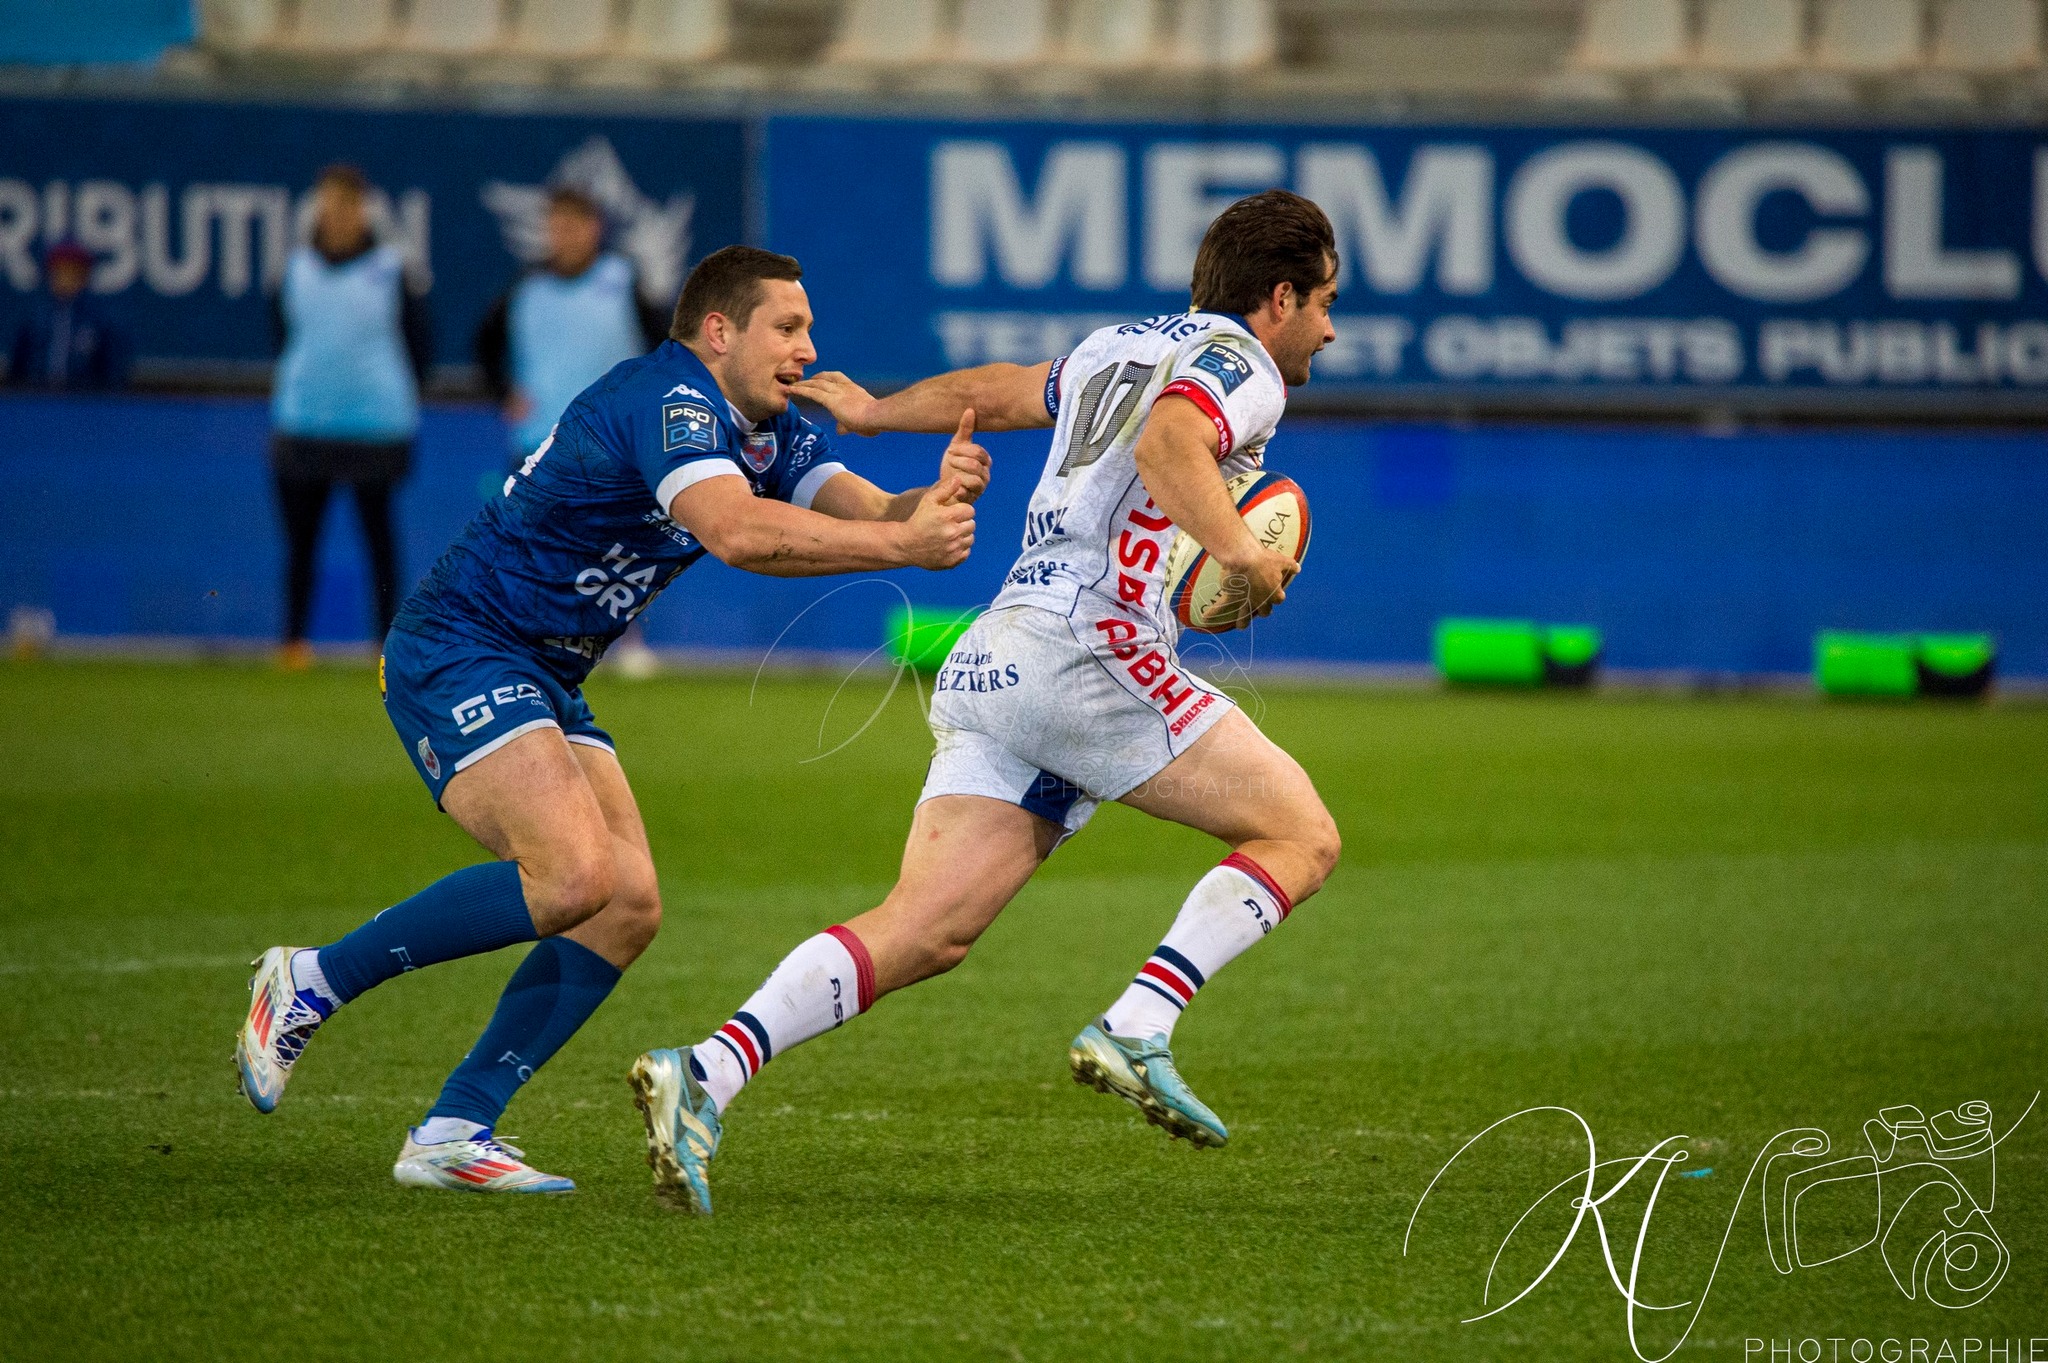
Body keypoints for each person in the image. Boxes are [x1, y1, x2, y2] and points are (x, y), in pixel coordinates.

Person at [629, 189, 1347, 1215]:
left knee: (924, 928)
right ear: (1276, 297)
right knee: (1301, 833)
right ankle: (1140, 1023)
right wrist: (1239, 554)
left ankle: (703, 1072)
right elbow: (1167, 448)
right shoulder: (1240, 367)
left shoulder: (1119, 342)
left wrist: (877, 411)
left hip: (998, 650)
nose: (1328, 325)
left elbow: (998, 391)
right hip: (1090, 653)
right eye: (1323, 301)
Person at [234, 245, 986, 1195]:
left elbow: (877, 511)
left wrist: (939, 501)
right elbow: (738, 532)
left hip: (549, 666)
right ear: (719, 332)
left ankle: (454, 1128)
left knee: (625, 904)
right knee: (573, 874)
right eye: (786, 327)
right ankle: (309, 981)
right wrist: (901, 542)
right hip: (463, 643)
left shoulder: (775, 430)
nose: (808, 346)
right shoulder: (668, 400)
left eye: (808, 327)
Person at [473, 184, 669, 676]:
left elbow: (666, 350)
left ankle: (627, 641)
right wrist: (503, 392)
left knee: (622, 547)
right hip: (540, 442)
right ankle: (534, 641)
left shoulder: (623, 280)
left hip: (613, 443)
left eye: (574, 224)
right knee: (537, 547)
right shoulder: (524, 289)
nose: (563, 235)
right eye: (555, 225)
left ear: (595, 228)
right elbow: (484, 344)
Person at [268, 163, 434, 669]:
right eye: (329, 205)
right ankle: (294, 643)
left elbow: (419, 344)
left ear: (363, 211)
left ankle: (386, 647)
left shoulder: (391, 271)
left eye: (347, 206)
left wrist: (396, 400)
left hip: (375, 429)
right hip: (304, 426)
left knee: (379, 540)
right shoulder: (295, 269)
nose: (338, 216)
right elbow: (283, 335)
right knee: (301, 543)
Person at [6, 240, 131, 390]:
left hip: (85, 404)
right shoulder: (35, 319)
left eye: (73, 272)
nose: (66, 278)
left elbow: (113, 372)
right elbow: (17, 369)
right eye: (60, 272)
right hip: (37, 401)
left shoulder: (100, 322)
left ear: (85, 275)